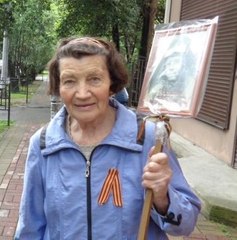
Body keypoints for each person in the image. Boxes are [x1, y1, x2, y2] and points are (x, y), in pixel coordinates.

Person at [14, 36, 201, 239]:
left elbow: (186, 225)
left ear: (112, 84)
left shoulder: (147, 139)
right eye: (69, 81)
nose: (82, 93)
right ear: (59, 88)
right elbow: (30, 228)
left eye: (94, 79)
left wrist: (163, 198)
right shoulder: (43, 145)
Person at [145, 35, 198, 111]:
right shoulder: (160, 84)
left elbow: (186, 105)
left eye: (176, 62)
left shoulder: (191, 84)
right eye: (169, 63)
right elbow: (149, 101)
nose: (171, 67)